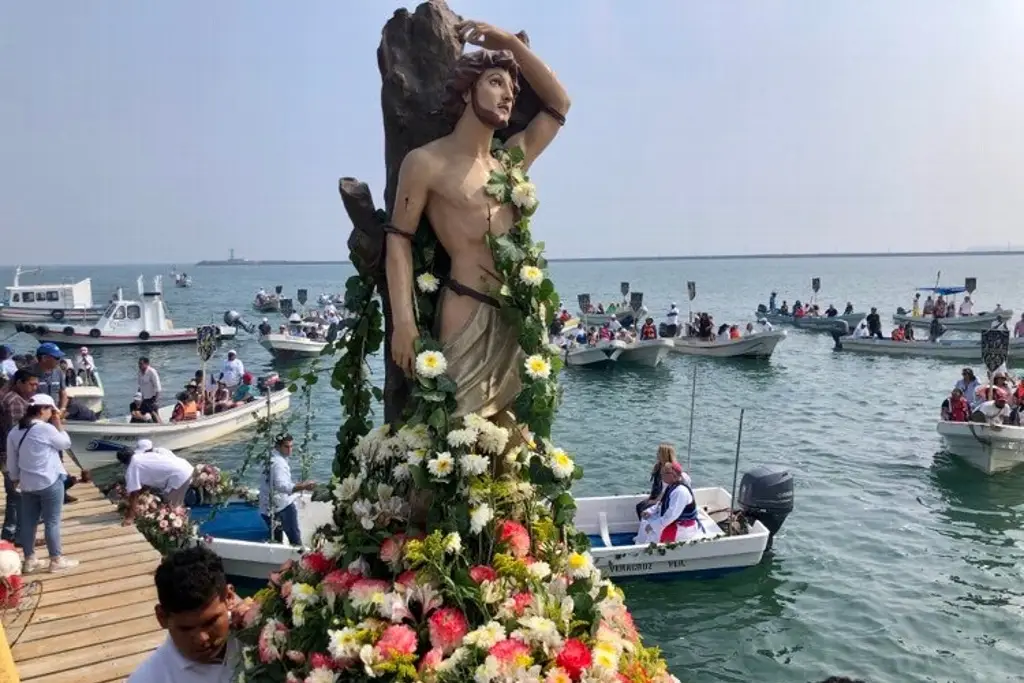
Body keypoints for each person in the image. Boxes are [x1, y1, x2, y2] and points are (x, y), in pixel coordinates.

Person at [383, 20, 570, 421]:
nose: (508, 95)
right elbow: (398, 239)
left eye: (512, 89)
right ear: (468, 90)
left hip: (515, 319)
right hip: (465, 310)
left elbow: (559, 104)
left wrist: (507, 42)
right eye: (496, 82)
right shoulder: (427, 162)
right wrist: (404, 322)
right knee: (455, 431)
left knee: (510, 445)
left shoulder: (510, 160)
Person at [127, 546, 240, 683]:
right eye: (186, 628)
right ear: (162, 618)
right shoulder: (148, 679)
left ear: (229, 597)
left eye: (210, 622)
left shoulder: (262, 633)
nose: (202, 638)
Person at [5, 394, 78, 572]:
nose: (53, 414)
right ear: (42, 410)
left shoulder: (15, 431)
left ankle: (30, 560)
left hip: (27, 483)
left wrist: (15, 478)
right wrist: (58, 424)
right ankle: (56, 560)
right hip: (49, 482)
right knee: (52, 522)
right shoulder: (45, 429)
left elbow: (12, 460)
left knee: (29, 522)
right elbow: (65, 443)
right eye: (51, 410)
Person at [0, 369, 38, 544]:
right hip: (12, 456)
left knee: (15, 496)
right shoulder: (15, 402)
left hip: (7, 454)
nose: (35, 388)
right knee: (19, 496)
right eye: (31, 384)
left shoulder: (7, 396)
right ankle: (18, 536)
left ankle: (11, 535)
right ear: (20, 383)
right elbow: (16, 434)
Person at [118, 440, 194, 524]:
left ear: (123, 462)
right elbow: (149, 480)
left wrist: (130, 517)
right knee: (171, 504)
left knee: (172, 508)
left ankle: (182, 528)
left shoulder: (132, 466)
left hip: (180, 475)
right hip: (185, 466)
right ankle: (182, 523)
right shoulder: (142, 456)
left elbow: (134, 494)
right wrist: (140, 493)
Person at [258, 434, 315, 546]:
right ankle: (299, 559)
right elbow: (282, 486)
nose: (290, 450)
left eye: (291, 446)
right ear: (278, 447)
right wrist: (304, 486)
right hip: (282, 507)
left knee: (276, 540)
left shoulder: (268, 457)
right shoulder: (279, 463)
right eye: (286, 447)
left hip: (267, 508)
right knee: (295, 538)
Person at [634, 461, 701, 545]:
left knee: (652, 532)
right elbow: (662, 503)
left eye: (664, 473)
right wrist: (650, 511)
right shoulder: (671, 486)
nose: (661, 475)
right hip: (672, 521)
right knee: (645, 521)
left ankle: (647, 550)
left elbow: (671, 516)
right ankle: (639, 544)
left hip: (681, 527)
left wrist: (654, 526)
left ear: (672, 475)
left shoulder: (680, 492)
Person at [635, 443, 677, 519]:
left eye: (659, 452)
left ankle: (650, 527)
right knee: (639, 506)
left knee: (643, 508)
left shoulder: (669, 470)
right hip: (656, 495)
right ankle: (645, 527)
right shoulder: (658, 466)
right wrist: (650, 497)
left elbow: (666, 489)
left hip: (663, 499)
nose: (657, 454)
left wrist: (655, 501)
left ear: (664, 454)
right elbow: (655, 484)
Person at [138, 357, 162, 423]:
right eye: (139, 364)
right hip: (144, 398)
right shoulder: (139, 372)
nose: (139, 365)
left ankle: (161, 427)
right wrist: (139, 397)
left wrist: (156, 401)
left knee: (155, 414)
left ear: (147, 364)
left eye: (141, 364)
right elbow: (140, 386)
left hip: (152, 398)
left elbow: (158, 387)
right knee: (141, 413)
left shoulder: (152, 372)